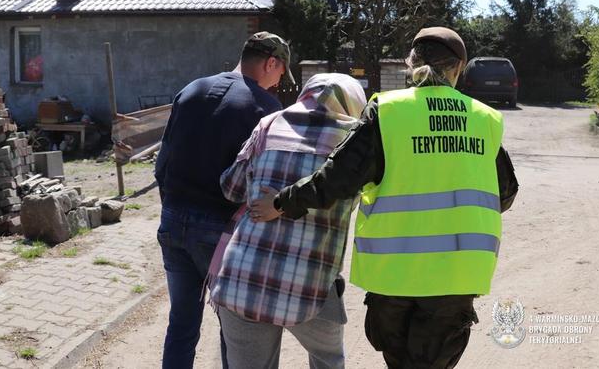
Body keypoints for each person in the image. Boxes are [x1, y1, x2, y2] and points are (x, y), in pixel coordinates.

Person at [251, 27, 519, 368]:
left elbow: (337, 179)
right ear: (459, 67)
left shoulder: (388, 112)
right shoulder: (484, 120)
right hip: (455, 278)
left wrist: (280, 203)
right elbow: (505, 194)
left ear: (411, 64)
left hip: (394, 278)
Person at [154, 31, 294, 369]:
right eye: (278, 75)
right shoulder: (266, 109)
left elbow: (163, 162)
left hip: (172, 221)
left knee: (182, 323)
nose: (276, 84)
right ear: (271, 63)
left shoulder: (192, 89)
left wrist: (172, 206)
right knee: (233, 330)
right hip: (221, 231)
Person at [210, 73, 367, 369]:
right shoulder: (356, 139)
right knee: (329, 361)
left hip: (243, 280)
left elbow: (231, 189)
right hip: (311, 288)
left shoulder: (269, 124)